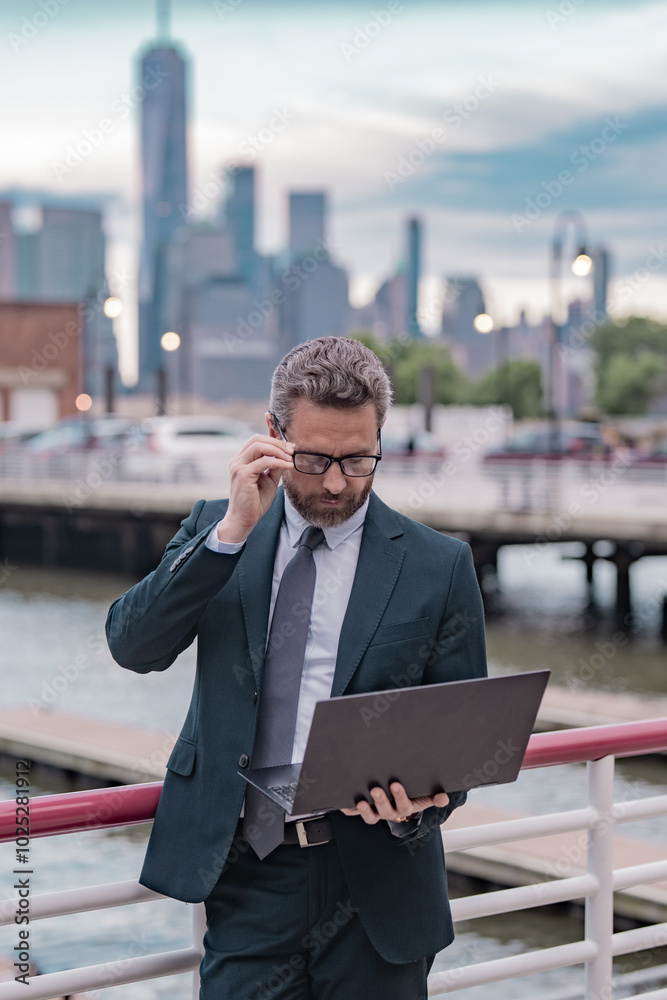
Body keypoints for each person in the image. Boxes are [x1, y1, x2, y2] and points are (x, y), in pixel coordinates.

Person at [106, 336, 488, 1000]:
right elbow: (134, 647)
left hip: (380, 886)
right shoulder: (214, 531)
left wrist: (423, 804)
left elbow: (459, 736)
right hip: (249, 876)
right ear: (272, 436)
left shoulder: (439, 565)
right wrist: (228, 535)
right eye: (314, 459)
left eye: (358, 458)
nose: (337, 482)